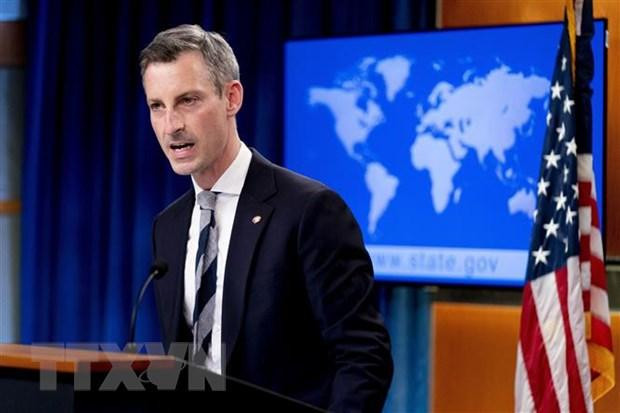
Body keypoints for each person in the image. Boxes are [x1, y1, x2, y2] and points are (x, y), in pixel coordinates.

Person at [140, 24, 393, 412]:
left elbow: (364, 358)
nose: (171, 125)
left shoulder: (310, 210)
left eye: (188, 101)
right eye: (157, 106)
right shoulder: (168, 227)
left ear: (232, 98)